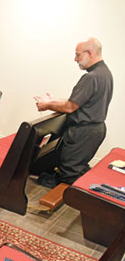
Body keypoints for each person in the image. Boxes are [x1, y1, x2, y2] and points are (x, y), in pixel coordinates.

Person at [34, 37, 113, 188]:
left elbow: (70, 107)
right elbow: (79, 102)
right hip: (95, 129)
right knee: (76, 165)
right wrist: (54, 101)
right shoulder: (104, 73)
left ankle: (78, 197)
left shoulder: (91, 77)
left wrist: (46, 105)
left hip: (83, 131)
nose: (75, 59)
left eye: (78, 55)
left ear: (90, 53)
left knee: (70, 172)